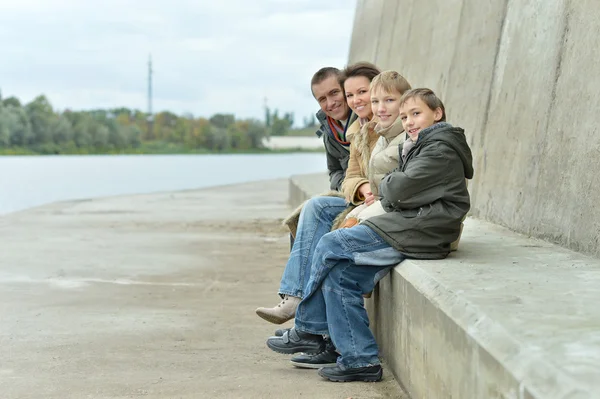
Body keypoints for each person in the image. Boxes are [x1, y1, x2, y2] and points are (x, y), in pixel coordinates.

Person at [266, 88, 474, 383]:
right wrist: (391, 187)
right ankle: (360, 360)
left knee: (330, 243)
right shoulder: (421, 143)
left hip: (424, 229)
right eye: (406, 117)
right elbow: (395, 189)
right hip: (411, 222)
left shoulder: (440, 147)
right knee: (340, 275)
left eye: (416, 114)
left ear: (437, 113)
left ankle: (308, 328)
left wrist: (389, 186)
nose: (410, 122)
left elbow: (397, 189)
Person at [255, 63, 381, 329]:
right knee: (301, 223)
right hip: (353, 193)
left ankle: (299, 308)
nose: (331, 102)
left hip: (372, 199)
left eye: (335, 93)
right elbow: (335, 171)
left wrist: (358, 185)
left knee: (317, 211)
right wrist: (350, 185)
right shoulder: (329, 128)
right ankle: (299, 308)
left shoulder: (369, 121)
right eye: (322, 98)